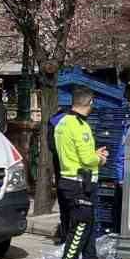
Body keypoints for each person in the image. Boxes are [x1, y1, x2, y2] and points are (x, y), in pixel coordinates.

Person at [54, 87, 109, 259]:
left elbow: (71, 152)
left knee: (86, 228)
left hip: (68, 180)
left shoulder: (62, 122)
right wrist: (100, 158)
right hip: (80, 184)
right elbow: (86, 159)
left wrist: (91, 154)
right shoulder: (80, 126)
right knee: (79, 230)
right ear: (90, 103)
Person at [45, 89, 77, 244]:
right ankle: (73, 236)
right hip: (76, 167)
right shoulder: (77, 120)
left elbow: (51, 145)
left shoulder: (54, 119)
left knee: (64, 202)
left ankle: (65, 235)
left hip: (60, 166)